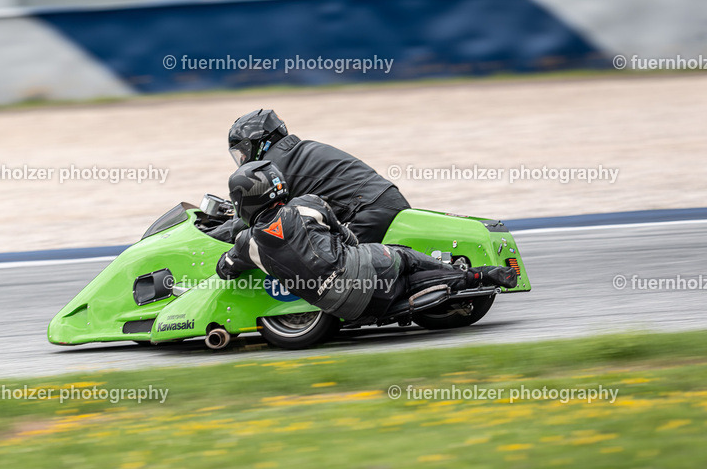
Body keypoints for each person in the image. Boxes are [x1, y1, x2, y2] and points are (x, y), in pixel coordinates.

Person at [215, 161, 516, 321]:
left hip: (345, 307)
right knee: (406, 259)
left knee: (402, 288)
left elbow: (224, 268)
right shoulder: (308, 203)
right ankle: (473, 275)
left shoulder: (246, 243)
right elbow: (349, 237)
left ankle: (465, 279)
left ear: (245, 201)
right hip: (365, 265)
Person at [220, 108, 410, 243]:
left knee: (334, 271)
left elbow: (246, 224)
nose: (243, 159)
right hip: (380, 202)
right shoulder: (299, 151)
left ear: (260, 143)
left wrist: (207, 233)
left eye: (243, 152)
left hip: (368, 212)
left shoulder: (273, 167)